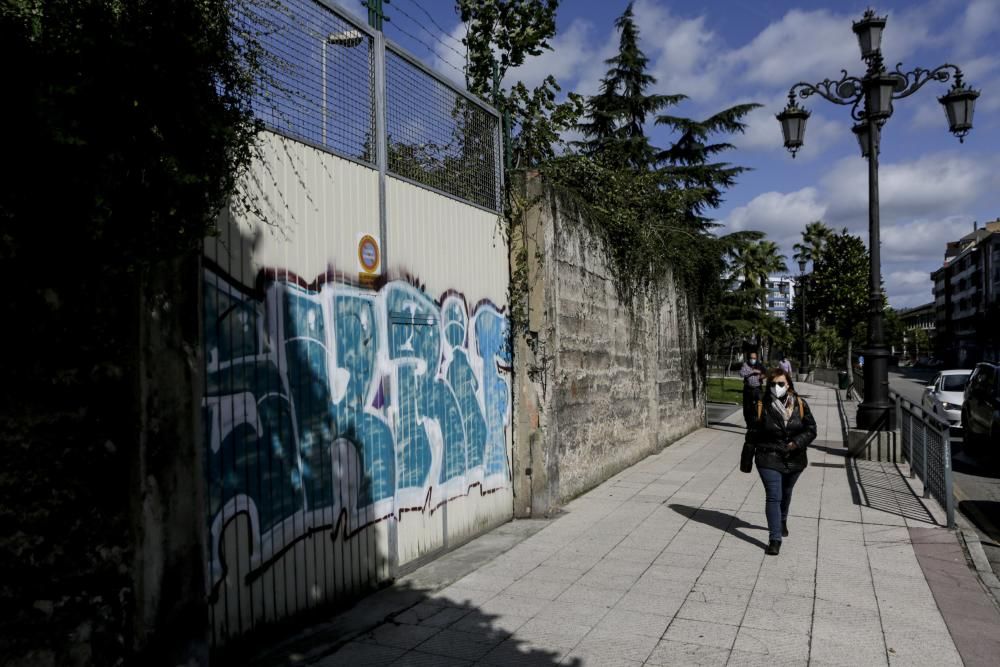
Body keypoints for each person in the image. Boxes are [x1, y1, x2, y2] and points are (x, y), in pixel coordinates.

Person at [741, 368, 817, 555]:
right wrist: (746, 460)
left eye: (781, 384)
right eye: (773, 384)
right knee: (774, 495)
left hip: (795, 457)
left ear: (789, 384)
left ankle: (782, 520)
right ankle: (775, 538)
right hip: (768, 456)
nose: (776, 387)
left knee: (786, 491)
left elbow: (811, 429)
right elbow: (753, 433)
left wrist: (797, 443)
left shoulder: (800, 404)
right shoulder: (761, 405)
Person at [739, 351, 764, 428]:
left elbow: (765, 373)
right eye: (751, 358)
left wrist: (762, 375)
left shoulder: (759, 365)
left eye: (754, 358)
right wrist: (752, 371)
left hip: (757, 389)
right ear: (749, 358)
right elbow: (741, 374)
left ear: (756, 358)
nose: (753, 359)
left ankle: (758, 422)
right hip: (748, 389)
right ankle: (748, 423)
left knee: (758, 406)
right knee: (747, 407)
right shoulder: (745, 365)